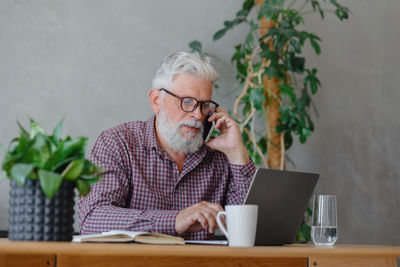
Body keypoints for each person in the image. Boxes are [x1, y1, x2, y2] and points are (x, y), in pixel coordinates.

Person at [78, 51, 256, 240]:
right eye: (187, 102)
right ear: (156, 101)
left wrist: (237, 153)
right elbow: (92, 219)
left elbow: (256, 228)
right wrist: (175, 220)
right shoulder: (118, 144)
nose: (198, 115)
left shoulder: (220, 156)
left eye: (204, 105)